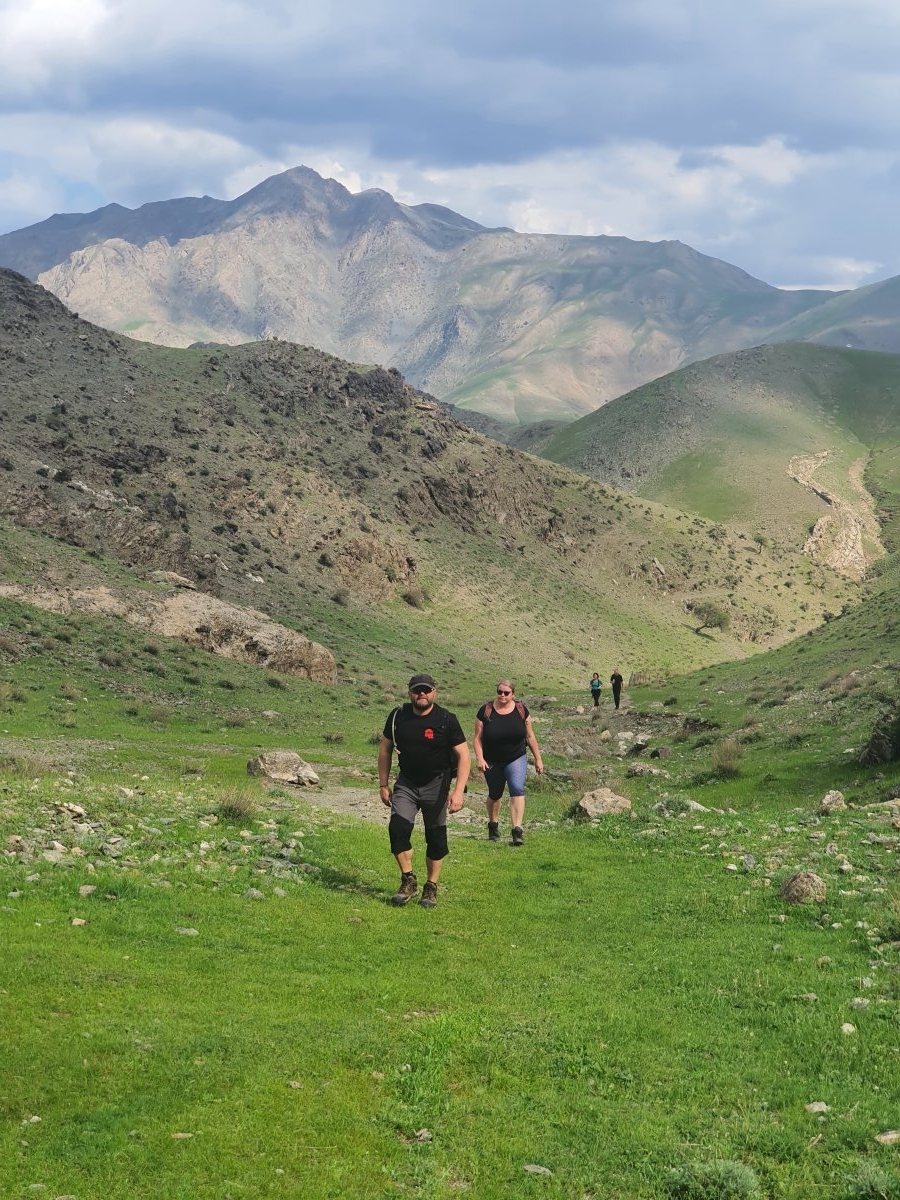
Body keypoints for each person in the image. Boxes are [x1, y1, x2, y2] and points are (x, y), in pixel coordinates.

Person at [378, 673, 470, 908]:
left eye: (426, 690)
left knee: (436, 838)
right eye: (417, 690)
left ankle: (431, 886)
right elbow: (385, 749)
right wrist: (383, 784)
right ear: (409, 692)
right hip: (407, 783)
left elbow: (464, 755)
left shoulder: (446, 719)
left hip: (437, 784)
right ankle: (408, 879)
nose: (422, 693)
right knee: (398, 829)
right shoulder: (398, 716)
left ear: (434, 693)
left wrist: (458, 791)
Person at [473, 680, 544, 846]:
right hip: (492, 760)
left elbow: (530, 736)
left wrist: (538, 759)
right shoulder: (485, 711)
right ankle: (493, 825)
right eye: (500, 692)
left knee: (517, 789)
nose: (502, 695)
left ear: (513, 694)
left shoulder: (521, 710)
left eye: (506, 693)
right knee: (495, 794)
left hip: (516, 757)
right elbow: (477, 738)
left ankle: (517, 831)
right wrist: (480, 758)